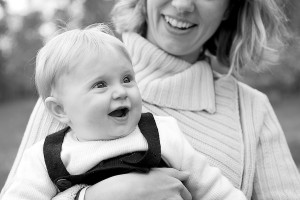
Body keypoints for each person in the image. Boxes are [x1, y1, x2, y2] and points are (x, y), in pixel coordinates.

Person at [1, 0, 300, 199]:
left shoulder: (248, 111)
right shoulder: (70, 88)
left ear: (230, 7)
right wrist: (94, 197)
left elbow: (213, 187)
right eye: (101, 84)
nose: (183, 4)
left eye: (127, 79)